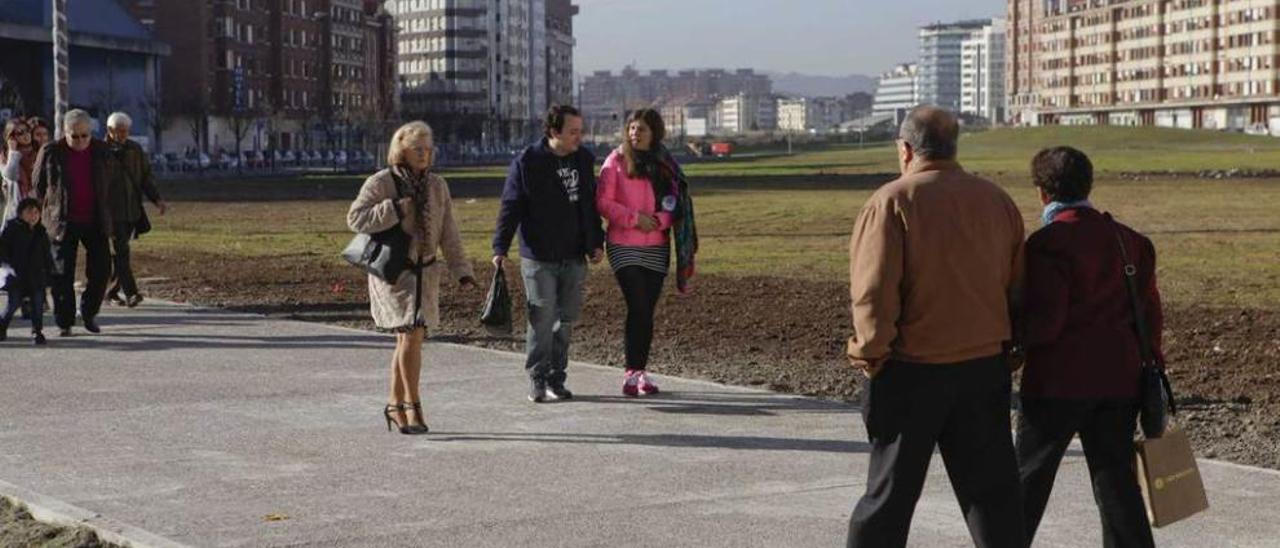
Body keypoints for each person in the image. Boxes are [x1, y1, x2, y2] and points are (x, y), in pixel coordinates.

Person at [845, 106, 1027, 548]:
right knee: (992, 500)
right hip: (984, 367)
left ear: (905, 149)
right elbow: (1017, 285)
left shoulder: (892, 201)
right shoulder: (996, 199)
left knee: (888, 499)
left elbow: (874, 291)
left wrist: (870, 354)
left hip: (911, 369)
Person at [1015, 147, 1159, 548]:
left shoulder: (1048, 243)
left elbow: (1047, 321)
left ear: (1042, 193)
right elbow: (1149, 315)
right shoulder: (1130, 241)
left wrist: (1014, 343)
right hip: (1119, 379)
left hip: (1057, 381)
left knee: (1027, 483)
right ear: (1089, 184)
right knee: (1116, 485)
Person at [347, 121, 477, 435]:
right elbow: (355, 218)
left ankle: (394, 403)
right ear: (401, 149)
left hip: (426, 274)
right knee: (411, 335)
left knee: (408, 340)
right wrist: (392, 208)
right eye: (417, 149)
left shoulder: (437, 186)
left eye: (428, 149)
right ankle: (413, 405)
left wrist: (462, 271)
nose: (424, 155)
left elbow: (450, 232)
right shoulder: (382, 181)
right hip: (394, 275)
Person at [492, 104, 605, 403]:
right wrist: (500, 247)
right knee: (541, 318)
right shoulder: (527, 162)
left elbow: (589, 206)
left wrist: (596, 242)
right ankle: (537, 376)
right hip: (539, 256)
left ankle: (557, 376)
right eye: (573, 132)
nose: (579, 137)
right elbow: (511, 206)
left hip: (574, 255)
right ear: (554, 131)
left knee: (565, 319)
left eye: (580, 131)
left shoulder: (583, 160)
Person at [596, 109, 683, 396]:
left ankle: (640, 372)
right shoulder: (616, 161)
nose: (635, 133)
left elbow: (674, 201)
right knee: (638, 305)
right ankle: (631, 374)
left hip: (656, 246)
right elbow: (604, 202)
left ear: (654, 132)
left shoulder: (665, 164)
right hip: (623, 244)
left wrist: (659, 221)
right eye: (632, 128)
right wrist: (634, 218)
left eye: (641, 129)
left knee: (647, 311)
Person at [33, 109, 114, 337]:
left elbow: (111, 183)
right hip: (62, 221)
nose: (80, 141)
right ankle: (64, 321)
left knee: (102, 270)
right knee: (62, 273)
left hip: (94, 219)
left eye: (84, 135)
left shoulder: (101, 151)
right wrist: (47, 211)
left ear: (91, 133)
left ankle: (88, 312)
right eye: (74, 136)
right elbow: (38, 184)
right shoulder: (51, 151)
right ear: (64, 133)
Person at [103, 112, 168, 308]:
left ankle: (110, 292)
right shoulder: (100, 151)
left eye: (126, 131)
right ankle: (131, 293)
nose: (123, 135)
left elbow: (145, 177)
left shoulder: (135, 149)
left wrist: (156, 199)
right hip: (110, 213)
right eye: (119, 131)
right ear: (110, 130)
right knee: (121, 251)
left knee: (120, 252)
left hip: (131, 211)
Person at [0, 198, 52, 345]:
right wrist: (6, 266)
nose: (33, 216)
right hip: (17, 276)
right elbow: (2, 250)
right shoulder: (12, 229)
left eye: (36, 212)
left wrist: (50, 275)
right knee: (13, 304)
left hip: (36, 276)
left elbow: (47, 255)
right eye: (29, 212)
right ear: (21, 213)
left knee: (37, 305)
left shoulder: (41, 232)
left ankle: (37, 332)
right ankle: (2, 326)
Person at [2, 118, 37, 226]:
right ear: (12, 137)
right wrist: (13, 152)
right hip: (17, 209)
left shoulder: (38, 153)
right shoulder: (5, 156)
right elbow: (11, 175)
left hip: (36, 208)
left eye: (27, 130)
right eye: (20, 133)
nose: (26, 135)